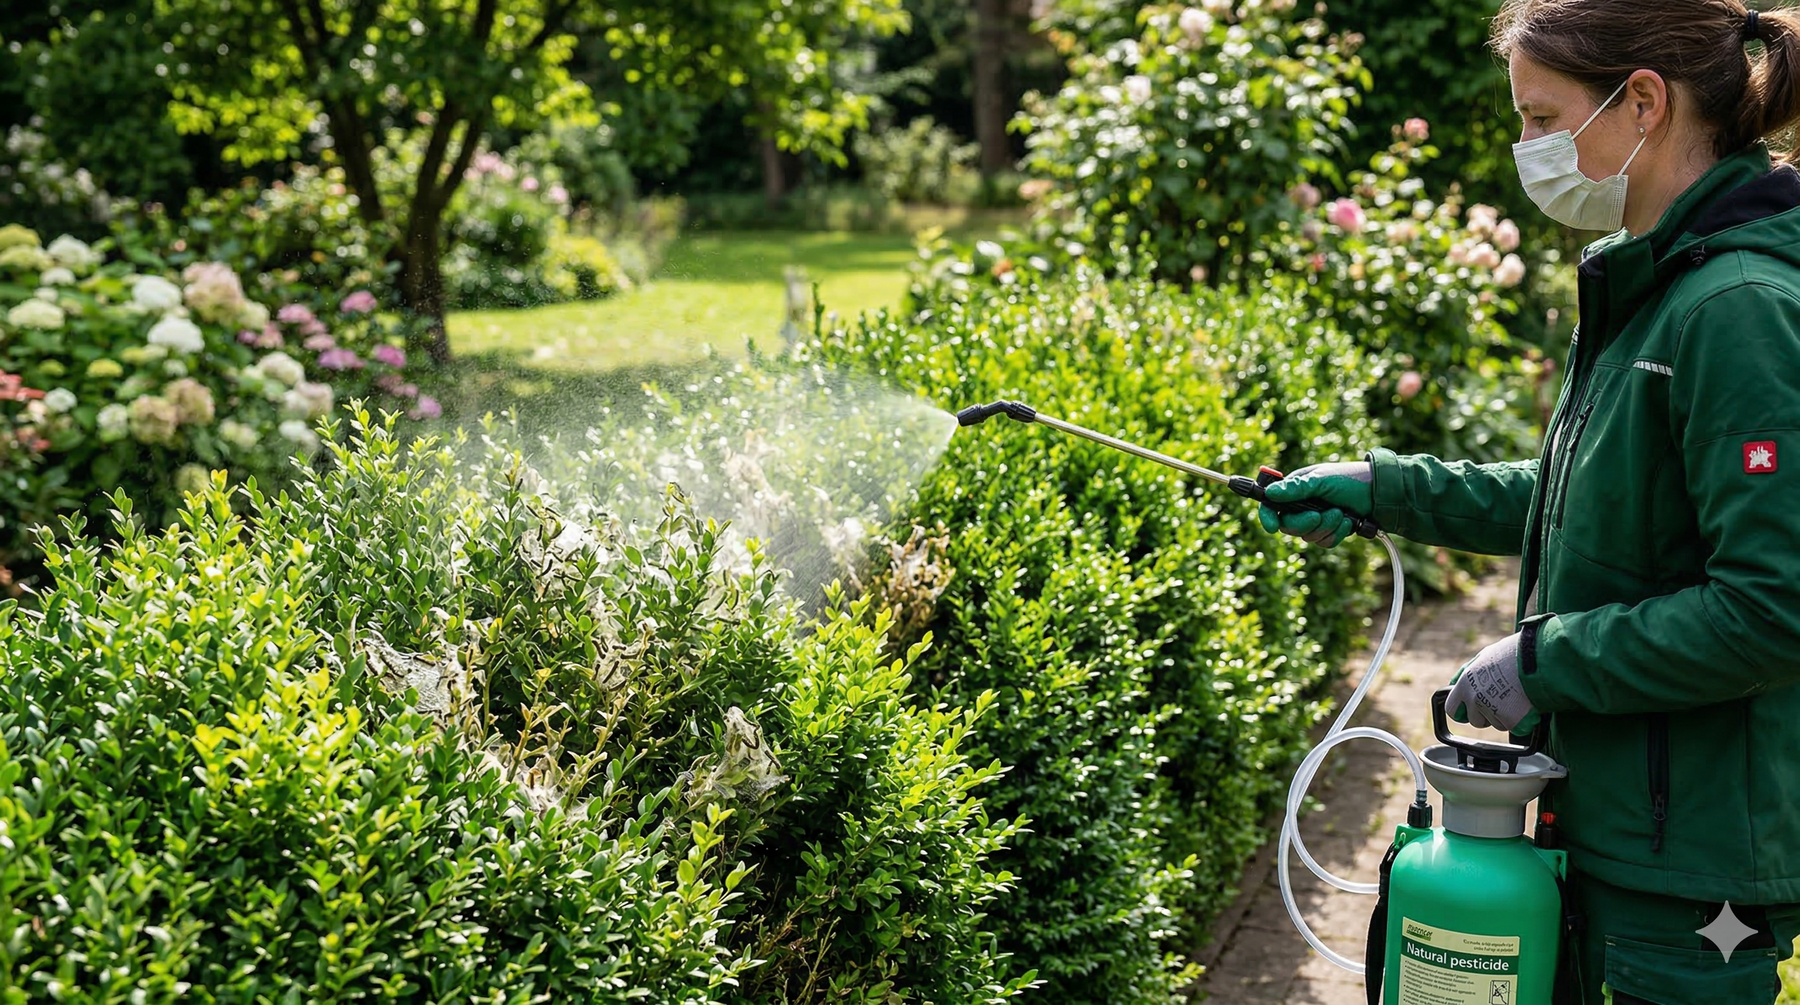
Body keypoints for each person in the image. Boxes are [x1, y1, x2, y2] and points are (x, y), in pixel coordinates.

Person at [1259, 2, 1800, 1002]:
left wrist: (1547, 662)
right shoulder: (1653, 280)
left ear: (1643, 102)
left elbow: (1774, 609)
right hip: (1616, 831)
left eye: (1543, 119)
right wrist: (1389, 489)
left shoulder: (1735, 309)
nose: (1528, 149)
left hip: (1688, 882)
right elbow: (1588, 499)